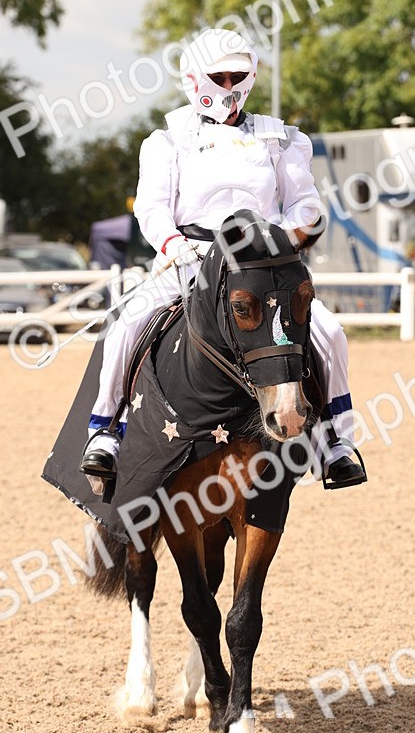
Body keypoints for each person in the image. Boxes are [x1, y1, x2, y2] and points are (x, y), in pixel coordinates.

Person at [80, 27, 366, 490]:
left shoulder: (282, 139)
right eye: (220, 75)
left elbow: (305, 204)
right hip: (191, 256)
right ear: (195, 78)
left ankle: (336, 444)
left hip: (261, 262)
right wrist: (173, 245)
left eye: (239, 75)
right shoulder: (166, 140)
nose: (230, 85)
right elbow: (152, 207)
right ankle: (106, 431)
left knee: (331, 333)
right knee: (127, 327)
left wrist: (281, 237)